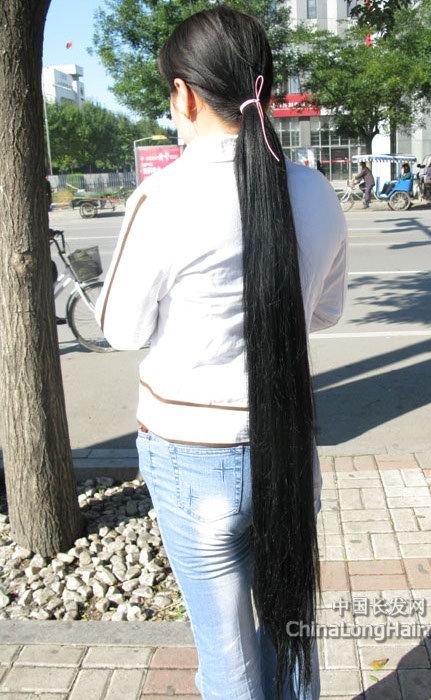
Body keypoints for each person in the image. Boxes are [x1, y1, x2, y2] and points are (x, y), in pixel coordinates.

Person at [94, 7, 347, 699]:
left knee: (228, 657)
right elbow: (325, 312)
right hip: (286, 439)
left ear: (183, 94)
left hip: (192, 452)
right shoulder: (314, 189)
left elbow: (121, 329)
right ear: (264, 86)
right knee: (290, 631)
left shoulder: (163, 197)